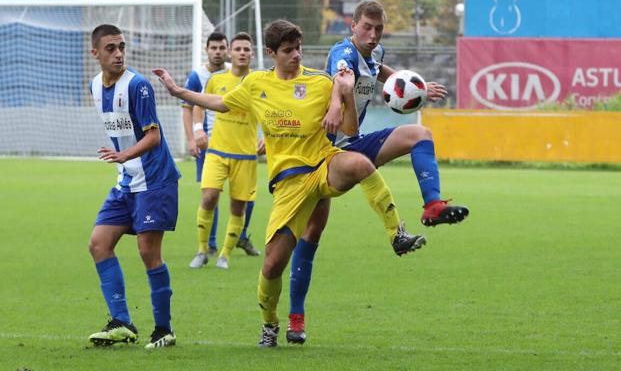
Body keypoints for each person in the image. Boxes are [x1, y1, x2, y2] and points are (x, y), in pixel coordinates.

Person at [153, 19, 426, 348]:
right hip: (288, 183)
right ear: (271, 53)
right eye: (288, 51)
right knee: (272, 265)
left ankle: (397, 233)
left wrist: (346, 94)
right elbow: (220, 103)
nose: (296, 55)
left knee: (360, 163)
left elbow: (351, 131)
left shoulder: (319, 82)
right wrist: (178, 91)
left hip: (323, 163)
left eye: (298, 48)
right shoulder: (256, 85)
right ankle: (269, 324)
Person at [286, 0, 470, 345]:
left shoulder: (374, 50)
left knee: (420, 135)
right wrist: (338, 104)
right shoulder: (342, 53)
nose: (372, 35)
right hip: (324, 153)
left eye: (379, 29)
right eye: (366, 28)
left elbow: (378, 66)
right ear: (352, 26)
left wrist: (410, 84)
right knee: (310, 235)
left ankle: (432, 206)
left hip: (354, 143)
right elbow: (341, 80)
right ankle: (295, 317)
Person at [87, 24, 178, 349]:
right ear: (95, 52)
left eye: (122, 46)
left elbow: (153, 137)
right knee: (98, 243)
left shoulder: (138, 86)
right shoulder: (95, 86)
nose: (119, 53)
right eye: (110, 48)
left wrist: (123, 154)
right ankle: (122, 321)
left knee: (148, 253)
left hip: (154, 180)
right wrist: (124, 160)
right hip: (127, 180)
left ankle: (164, 330)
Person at [183, 32, 260, 269]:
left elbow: (271, 110)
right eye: (238, 49)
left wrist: (266, 138)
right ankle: (202, 250)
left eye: (246, 49)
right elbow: (199, 105)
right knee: (208, 197)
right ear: (230, 53)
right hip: (217, 151)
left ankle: (224, 255)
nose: (242, 53)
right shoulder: (215, 79)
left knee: (239, 206)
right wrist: (197, 130)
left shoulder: (260, 81)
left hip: (246, 154)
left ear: (252, 54)